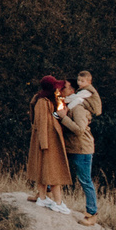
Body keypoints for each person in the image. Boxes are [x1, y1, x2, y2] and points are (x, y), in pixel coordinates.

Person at [63, 68, 103, 229]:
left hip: (82, 149)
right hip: (73, 147)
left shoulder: (79, 106)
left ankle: (92, 214)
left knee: (85, 180)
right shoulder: (77, 100)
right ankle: (47, 195)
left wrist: (63, 117)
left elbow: (79, 129)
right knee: (60, 170)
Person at [26, 75, 70, 209]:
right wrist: (44, 144)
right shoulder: (42, 102)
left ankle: (43, 197)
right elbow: (41, 123)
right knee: (52, 171)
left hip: (49, 140)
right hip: (47, 141)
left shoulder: (48, 99)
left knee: (43, 170)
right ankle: (58, 203)